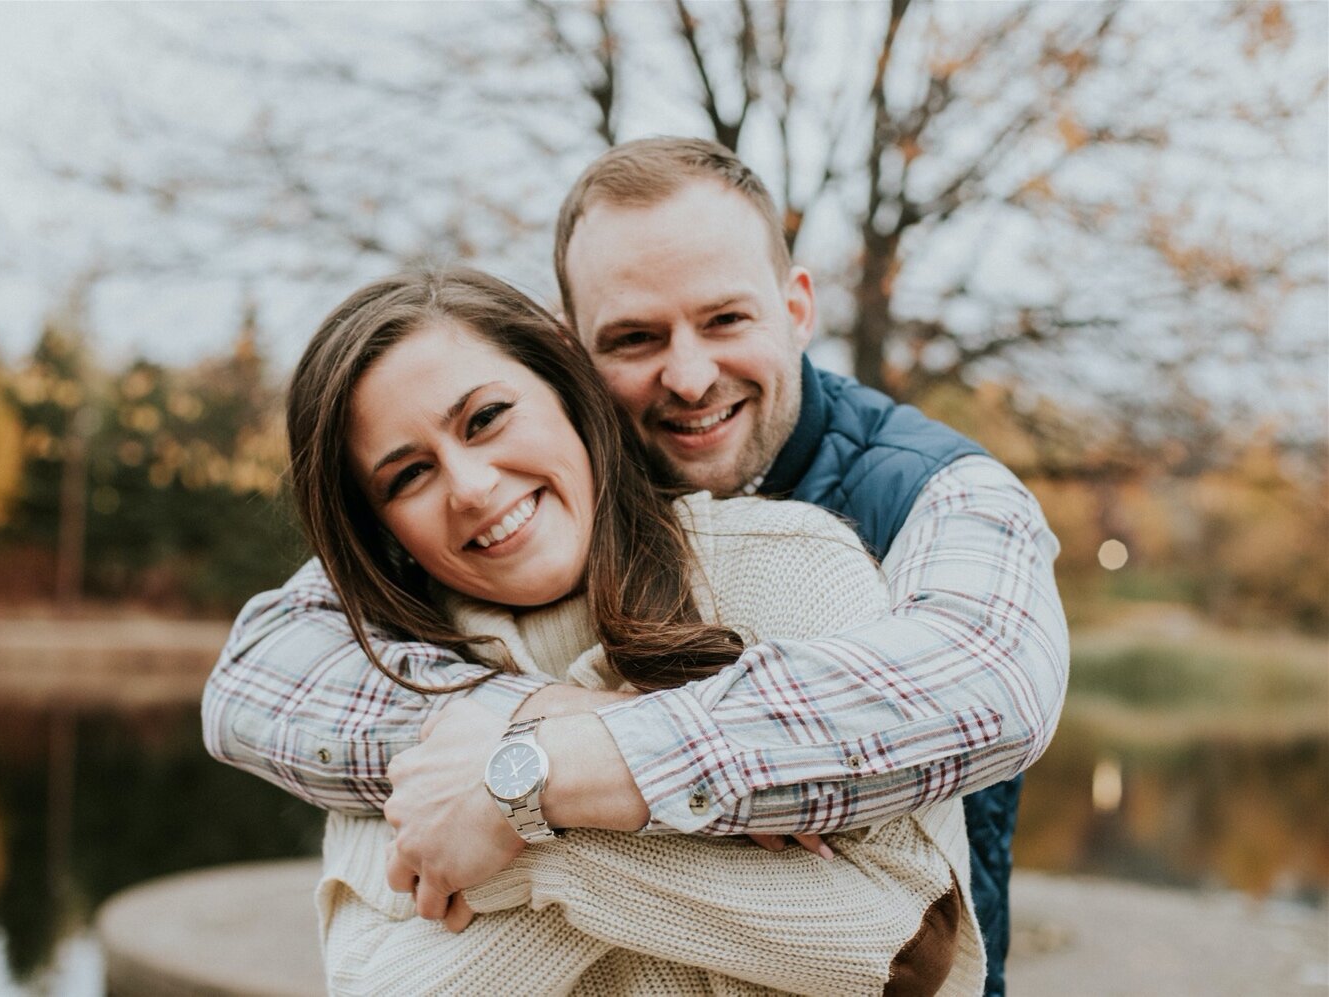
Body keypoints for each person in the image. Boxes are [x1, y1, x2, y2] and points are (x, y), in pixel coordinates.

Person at [203, 137, 1068, 996]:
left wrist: (558, 762)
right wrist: (536, 729)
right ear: (571, 347)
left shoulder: (932, 491)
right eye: (634, 338)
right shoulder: (514, 502)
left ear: (798, 307)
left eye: (726, 319)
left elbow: (992, 686)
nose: (689, 377)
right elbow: (257, 681)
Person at [294, 266, 982, 994]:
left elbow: (898, 947)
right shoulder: (394, 672)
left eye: (487, 417)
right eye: (408, 475)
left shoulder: (792, 563)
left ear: (565, 389)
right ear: (383, 525)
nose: (469, 486)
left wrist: (519, 821)